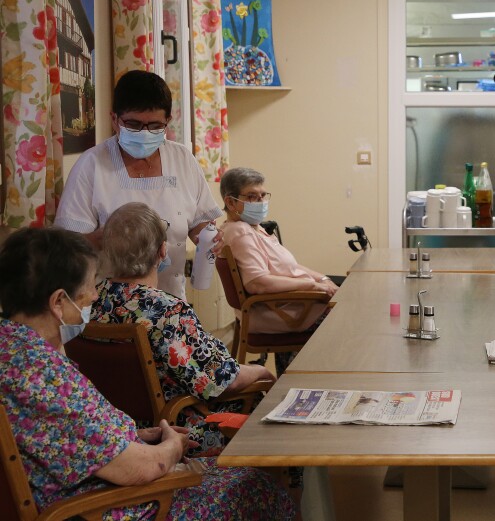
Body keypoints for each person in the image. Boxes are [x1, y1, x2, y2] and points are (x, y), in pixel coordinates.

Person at [0, 227, 293, 519]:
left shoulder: (12, 350)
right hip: (103, 507)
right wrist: (172, 448)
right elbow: (140, 468)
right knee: (255, 484)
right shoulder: (45, 377)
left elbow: (59, 438)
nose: (94, 295)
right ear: (58, 302)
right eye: (87, 290)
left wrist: (134, 435)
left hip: (91, 481)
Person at [91, 202, 276, 457]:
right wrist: (262, 371)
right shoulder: (168, 312)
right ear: (162, 250)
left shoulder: (91, 302)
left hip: (119, 431)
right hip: (177, 429)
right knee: (269, 411)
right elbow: (221, 380)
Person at [55, 70, 222, 301]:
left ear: (167, 122)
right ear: (115, 119)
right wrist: (112, 237)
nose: (144, 133)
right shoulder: (91, 165)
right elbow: (67, 244)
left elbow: (199, 224)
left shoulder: (182, 159)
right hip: (107, 304)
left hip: (169, 300)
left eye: (155, 126)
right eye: (133, 124)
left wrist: (210, 238)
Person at [218, 167, 337, 366]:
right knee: (347, 314)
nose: (260, 202)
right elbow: (258, 282)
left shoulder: (254, 228)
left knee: (344, 297)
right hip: (278, 310)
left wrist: (323, 279)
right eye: (252, 196)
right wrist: (313, 286)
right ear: (230, 202)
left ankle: (296, 373)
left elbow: (290, 267)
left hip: (287, 304)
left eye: (263, 196)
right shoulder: (241, 232)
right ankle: (305, 377)